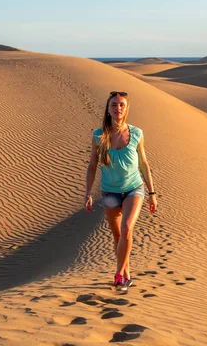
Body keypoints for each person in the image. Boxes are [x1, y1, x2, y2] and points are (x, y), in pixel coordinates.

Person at [84, 91, 157, 291]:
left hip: (134, 189)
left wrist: (152, 192)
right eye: (114, 105)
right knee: (118, 237)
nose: (118, 109)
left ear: (127, 108)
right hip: (109, 193)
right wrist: (88, 193)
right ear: (108, 109)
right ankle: (126, 273)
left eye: (122, 105)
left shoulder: (136, 133)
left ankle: (118, 277)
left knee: (126, 228)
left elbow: (143, 163)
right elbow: (92, 165)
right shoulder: (99, 136)